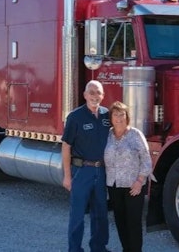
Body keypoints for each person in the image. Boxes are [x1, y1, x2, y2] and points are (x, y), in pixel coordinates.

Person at [62, 80, 111, 252]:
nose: (94, 96)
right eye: (91, 92)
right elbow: (66, 147)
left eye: (98, 92)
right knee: (77, 215)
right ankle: (74, 249)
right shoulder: (75, 117)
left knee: (100, 214)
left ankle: (98, 248)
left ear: (103, 96)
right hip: (81, 171)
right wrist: (67, 176)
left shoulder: (107, 115)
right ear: (84, 95)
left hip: (101, 171)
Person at [104, 101, 152, 252]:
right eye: (115, 114)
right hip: (114, 185)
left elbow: (146, 159)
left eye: (122, 114)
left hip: (134, 186)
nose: (119, 118)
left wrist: (140, 181)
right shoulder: (107, 135)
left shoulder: (135, 134)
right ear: (111, 118)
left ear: (127, 117)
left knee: (133, 222)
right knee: (120, 221)